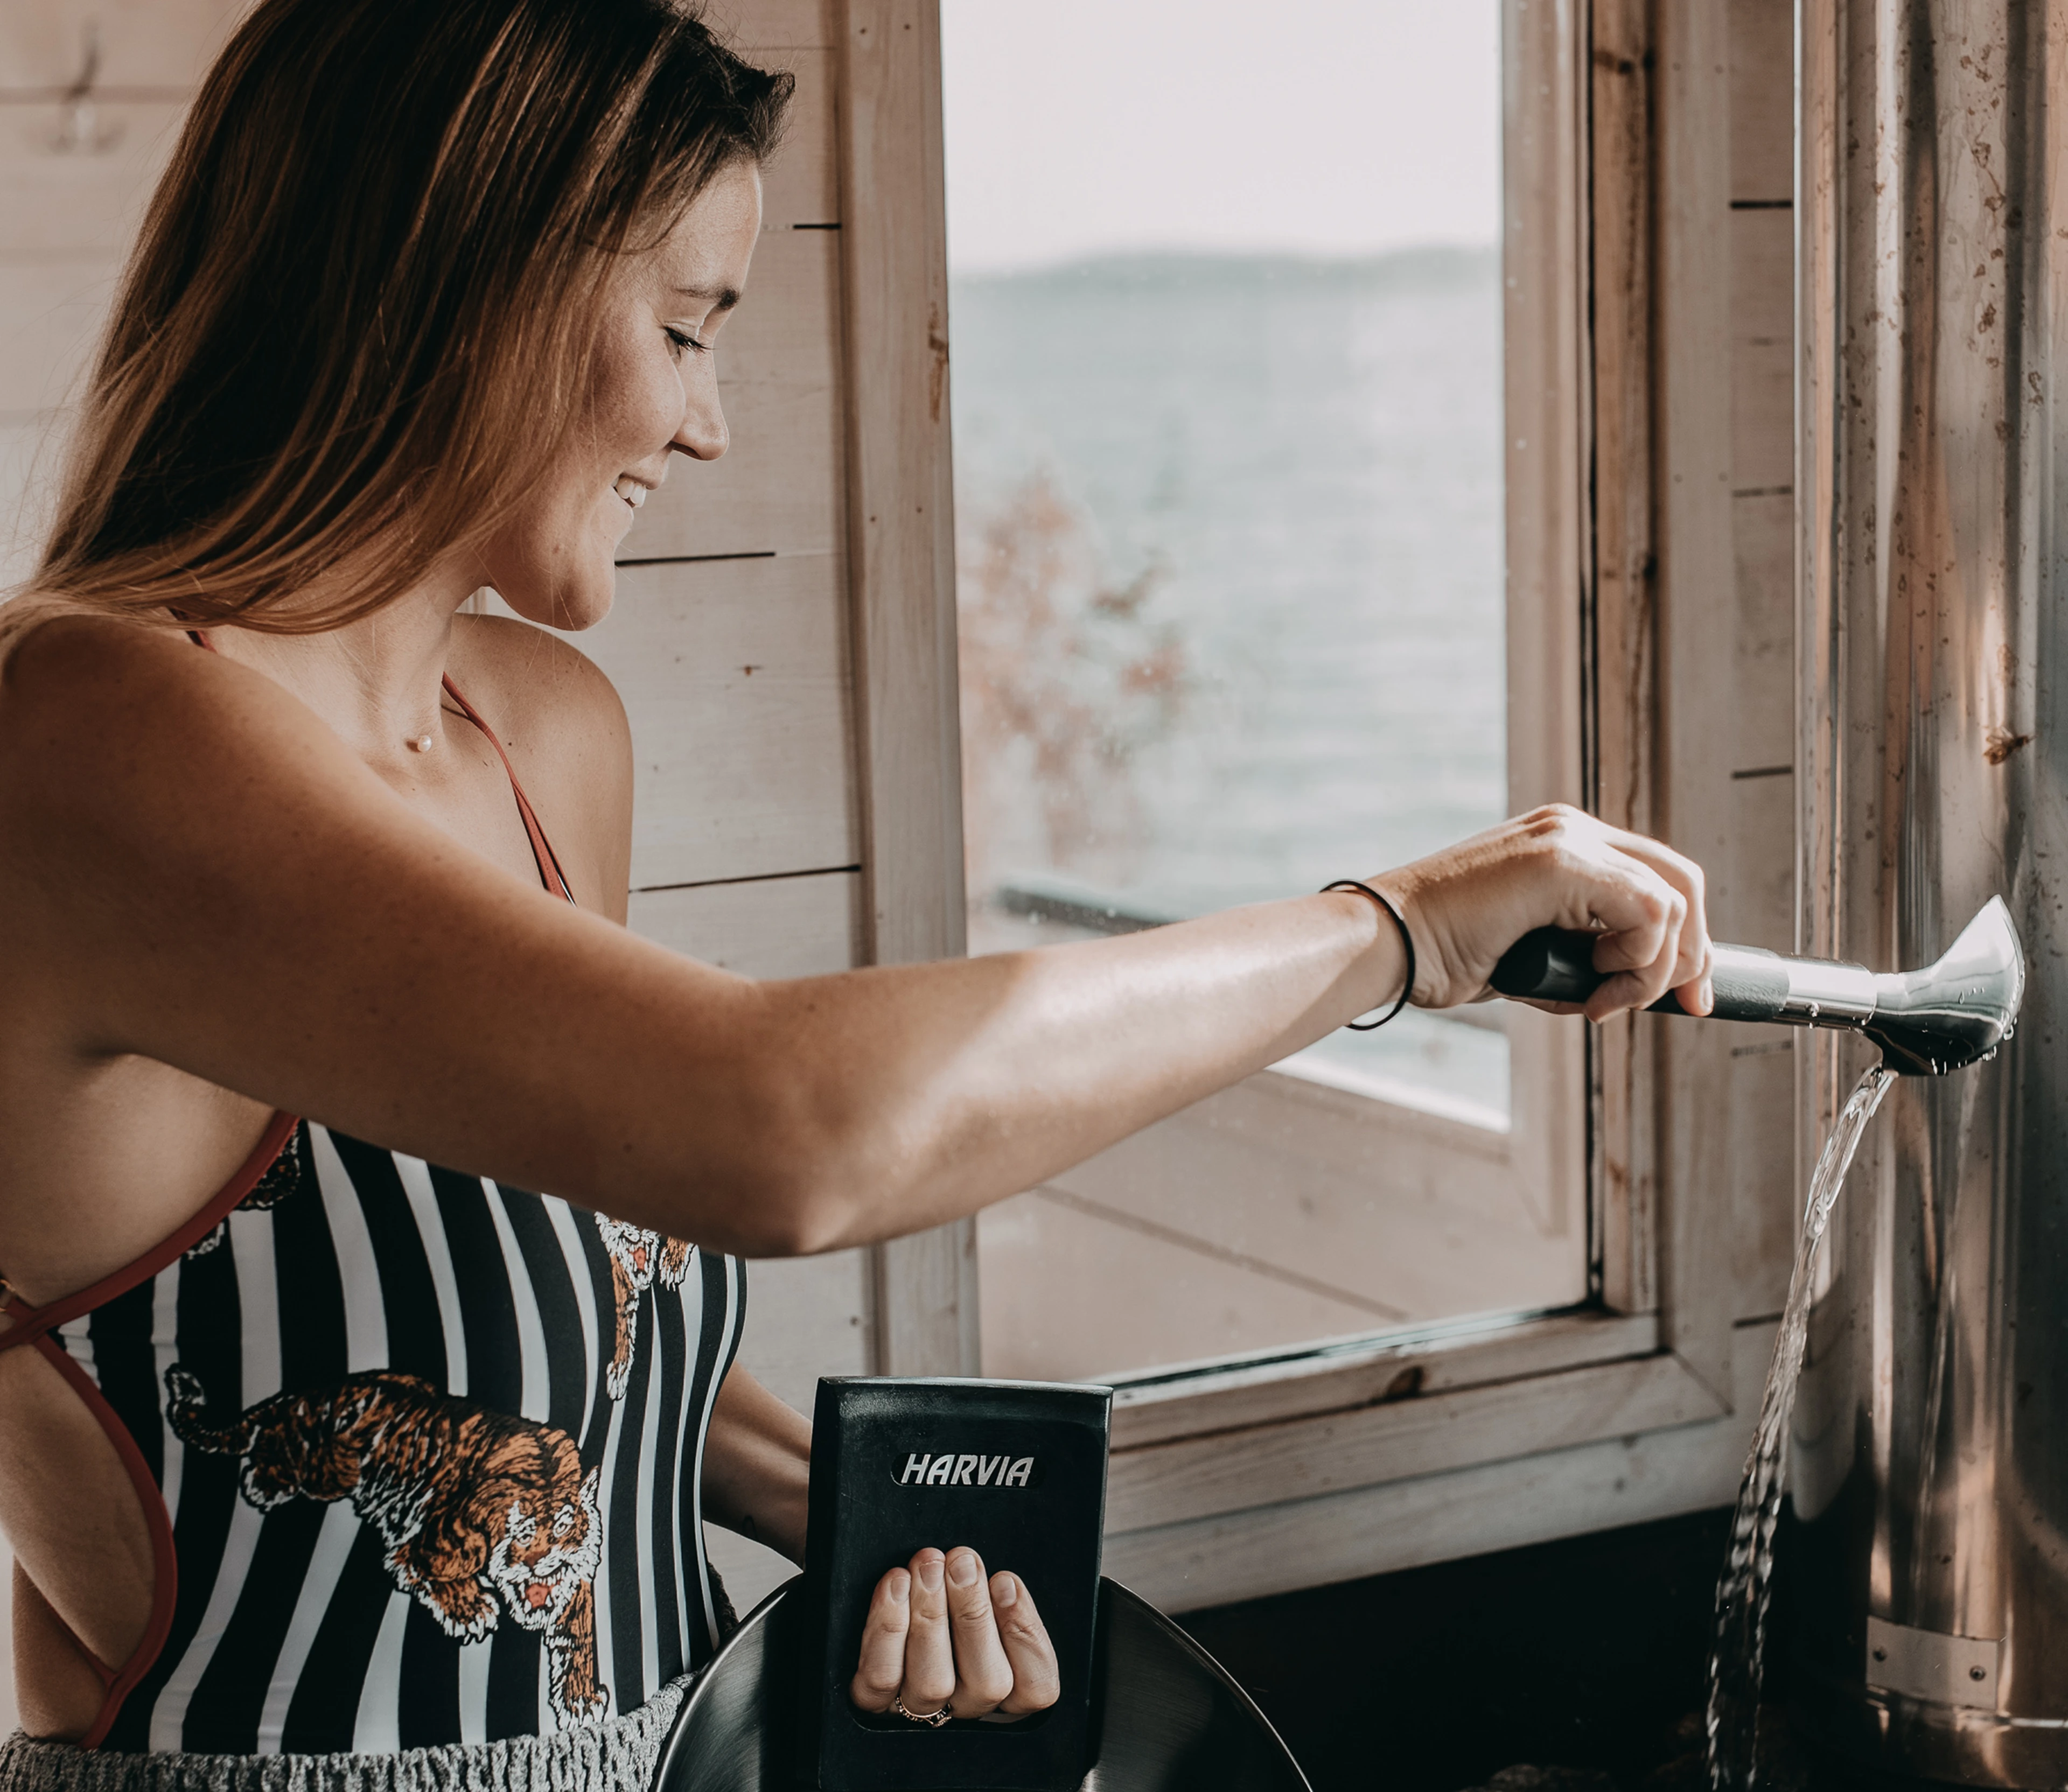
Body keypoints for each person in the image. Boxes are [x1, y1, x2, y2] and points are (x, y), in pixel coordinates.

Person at [0, 0, 1715, 1786]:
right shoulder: (78, 731)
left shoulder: (539, 737)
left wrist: (875, 1522)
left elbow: (582, 1338)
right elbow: (772, 1129)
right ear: (463, 274)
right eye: (684, 328)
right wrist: (1394, 933)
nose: (708, 425)